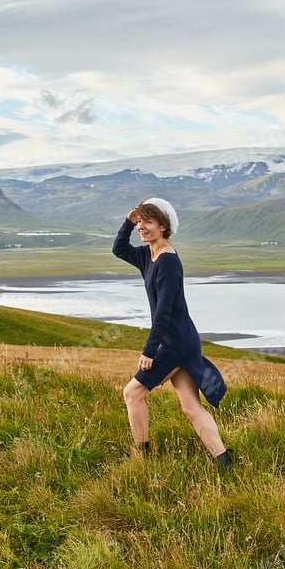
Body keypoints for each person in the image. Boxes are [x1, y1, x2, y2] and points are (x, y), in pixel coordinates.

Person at [112, 197, 231, 467]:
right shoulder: (147, 255)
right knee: (191, 407)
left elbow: (163, 312)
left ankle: (142, 457)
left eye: (148, 222)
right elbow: (119, 249)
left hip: (176, 343)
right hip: (183, 340)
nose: (142, 226)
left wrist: (149, 351)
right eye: (140, 221)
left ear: (163, 226)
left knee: (132, 393)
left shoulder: (167, 261)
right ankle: (224, 462)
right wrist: (127, 223)